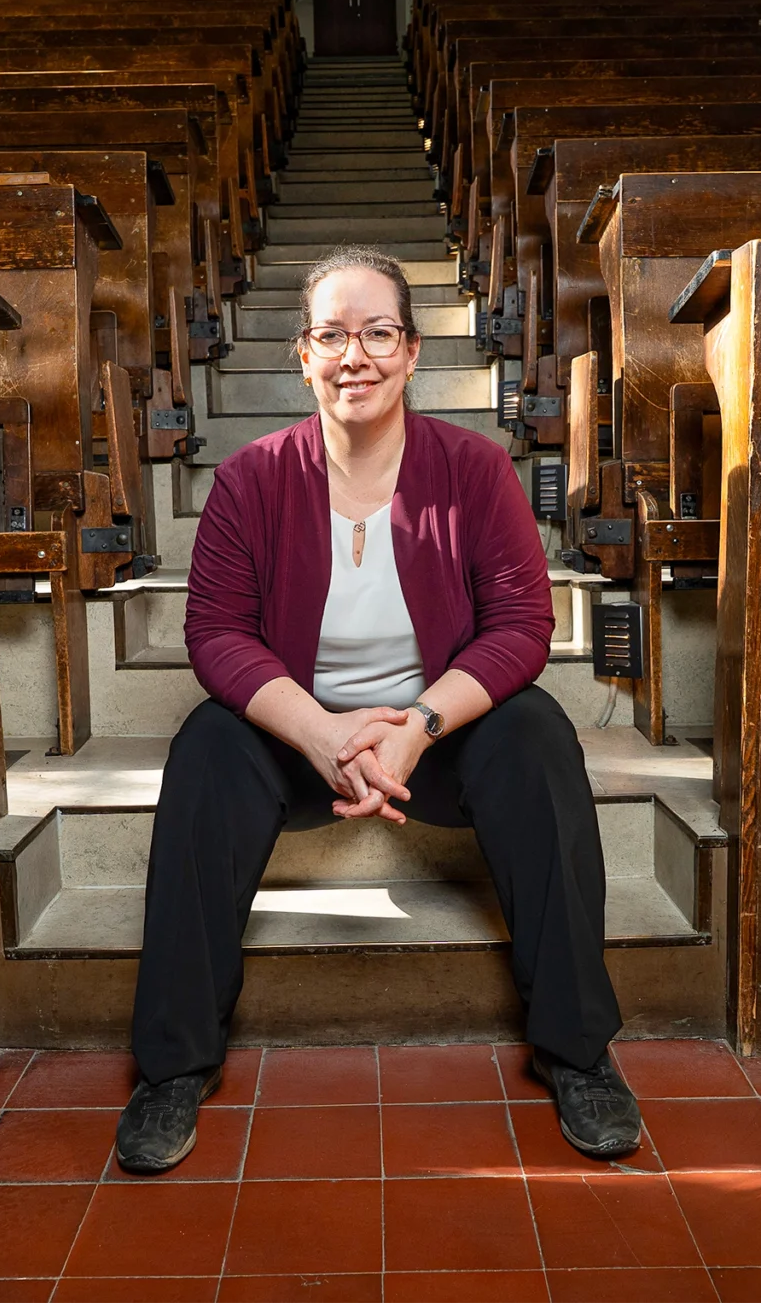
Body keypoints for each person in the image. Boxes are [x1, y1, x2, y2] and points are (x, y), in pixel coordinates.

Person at [113, 245, 642, 1173]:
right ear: (303, 356)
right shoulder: (250, 479)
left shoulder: (474, 472)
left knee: (540, 735)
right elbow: (217, 634)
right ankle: (172, 1064)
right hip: (299, 738)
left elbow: (522, 624)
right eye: (331, 335)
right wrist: (319, 735)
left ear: (410, 353)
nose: (353, 355)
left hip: (437, 738)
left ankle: (578, 1050)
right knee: (204, 747)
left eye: (377, 333)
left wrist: (419, 729)